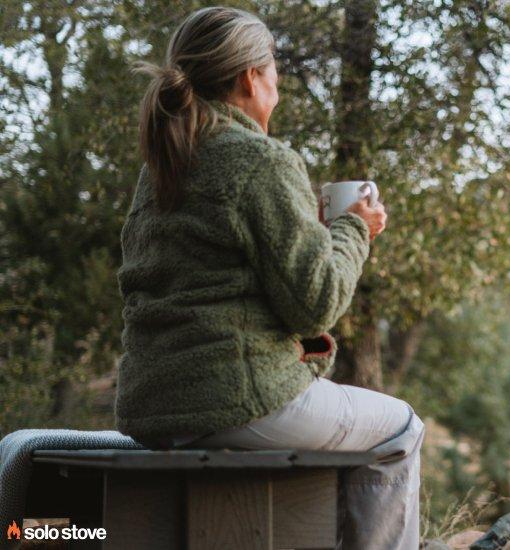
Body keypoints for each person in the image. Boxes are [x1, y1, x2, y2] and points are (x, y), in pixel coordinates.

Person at [114, 7, 422, 548]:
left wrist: (316, 232)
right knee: (401, 428)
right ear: (250, 77)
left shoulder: (163, 164)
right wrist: (355, 230)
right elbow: (316, 303)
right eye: (273, 65)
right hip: (233, 402)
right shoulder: (258, 159)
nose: (276, 81)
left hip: (151, 402)